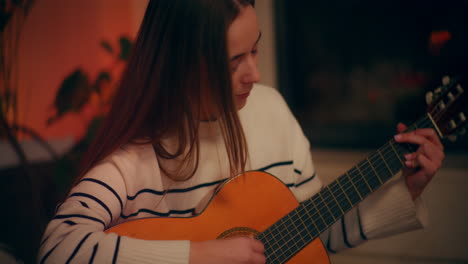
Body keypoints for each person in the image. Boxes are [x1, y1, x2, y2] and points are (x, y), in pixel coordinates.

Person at [38, 0, 445, 263]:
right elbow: (58, 248)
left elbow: (313, 236)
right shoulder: (137, 155)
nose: (255, 73)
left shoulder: (271, 111)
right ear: (182, 64)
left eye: (256, 50)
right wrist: (200, 255)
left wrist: (406, 191)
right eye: (234, 61)